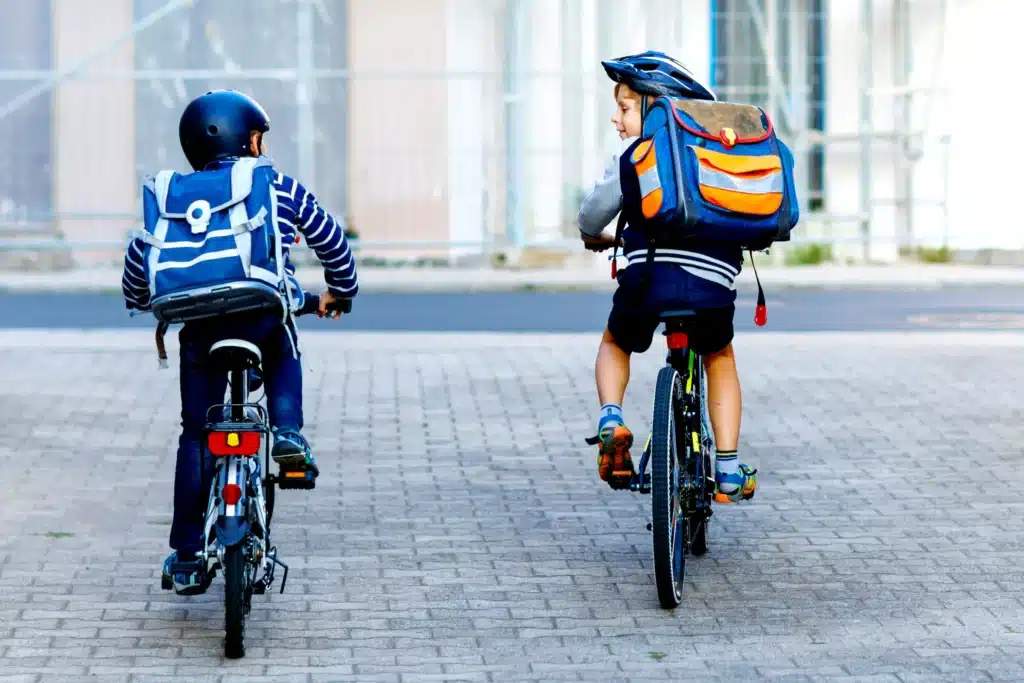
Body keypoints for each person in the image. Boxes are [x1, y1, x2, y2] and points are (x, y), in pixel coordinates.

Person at [121, 89, 359, 594]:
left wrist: (144, 297)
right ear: (250, 141)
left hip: (199, 331)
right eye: (261, 139)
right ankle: (290, 433)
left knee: (194, 437)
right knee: (282, 347)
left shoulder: (172, 198)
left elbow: (138, 270)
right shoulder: (276, 188)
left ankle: (186, 553)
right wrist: (341, 291)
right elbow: (331, 239)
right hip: (261, 318)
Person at [577, 51, 756, 502]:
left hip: (646, 280)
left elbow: (593, 214)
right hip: (712, 285)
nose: (615, 119)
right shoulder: (719, 152)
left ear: (656, 108)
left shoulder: (635, 156)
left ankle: (611, 419)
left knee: (616, 342)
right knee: (719, 356)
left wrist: (591, 235)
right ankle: (730, 470)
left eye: (624, 107)